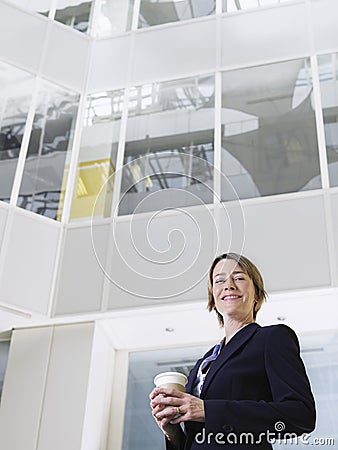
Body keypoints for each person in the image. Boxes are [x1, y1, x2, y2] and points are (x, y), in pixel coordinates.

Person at [150, 252, 316, 449]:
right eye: (219, 281)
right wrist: (173, 432)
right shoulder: (202, 364)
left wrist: (208, 411)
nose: (228, 285)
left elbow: (301, 414)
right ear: (213, 297)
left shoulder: (271, 338)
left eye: (239, 277)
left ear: (257, 294)